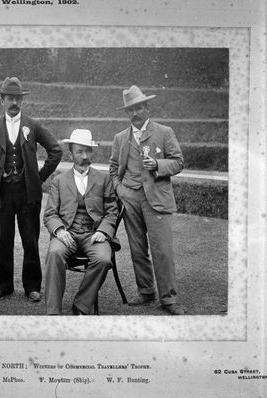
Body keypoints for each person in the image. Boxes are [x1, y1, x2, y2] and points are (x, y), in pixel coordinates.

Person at [0, 77, 62, 302]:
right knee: (3, 241)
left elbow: (55, 151)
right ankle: (3, 285)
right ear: (1, 100)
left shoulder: (32, 125)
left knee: (30, 241)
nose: (14, 102)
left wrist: (37, 178)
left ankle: (32, 286)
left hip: (28, 194)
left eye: (18, 98)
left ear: (22, 101)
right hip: (2, 195)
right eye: (10, 98)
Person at [109, 85, 185, 315]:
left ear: (147, 107)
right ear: (126, 113)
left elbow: (178, 162)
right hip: (130, 197)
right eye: (130, 110)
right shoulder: (120, 138)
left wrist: (158, 165)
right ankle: (146, 290)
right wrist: (120, 189)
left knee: (162, 249)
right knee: (137, 249)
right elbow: (113, 169)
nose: (135, 113)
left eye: (139, 107)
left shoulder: (164, 132)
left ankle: (169, 298)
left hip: (157, 198)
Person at [43, 129, 120, 315]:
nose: (84, 156)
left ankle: (81, 304)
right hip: (66, 233)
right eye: (79, 151)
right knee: (54, 254)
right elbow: (50, 214)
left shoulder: (104, 179)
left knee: (103, 259)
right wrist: (60, 231)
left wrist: (103, 231)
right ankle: (53, 312)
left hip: (93, 234)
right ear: (71, 153)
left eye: (87, 151)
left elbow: (112, 211)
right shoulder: (59, 180)